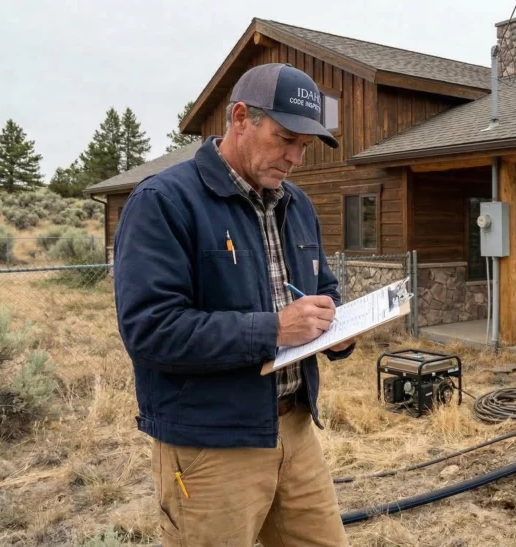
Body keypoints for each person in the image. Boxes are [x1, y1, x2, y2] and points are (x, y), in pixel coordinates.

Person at [113, 63, 355, 546]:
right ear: (241, 118)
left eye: (305, 146)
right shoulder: (164, 201)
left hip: (295, 429)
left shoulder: (297, 204)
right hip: (210, 446)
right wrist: (275, 330)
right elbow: (151, 330)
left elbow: (324, 289)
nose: (295, 158)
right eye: (285, 139)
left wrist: (337, 328)